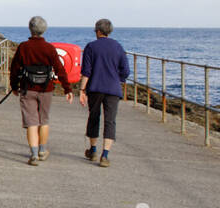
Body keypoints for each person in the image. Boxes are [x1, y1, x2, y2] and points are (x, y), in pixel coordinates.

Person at [9, 16, 73, 165]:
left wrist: (14, 86)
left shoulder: (23, 47)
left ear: (30, 29)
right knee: (43, 120)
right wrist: (67, 89)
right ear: (44, 30)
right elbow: (60, 69)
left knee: (31, 122)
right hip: (46, 89)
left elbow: (15, 68)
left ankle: (34, 154)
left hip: (27, 88)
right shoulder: (49, 48)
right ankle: (43, 150)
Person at [77, 18, 132, 167]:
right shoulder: (118, 47)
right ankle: (105, 155)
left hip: (95, 88)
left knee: (94, 117)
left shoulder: (91, 47)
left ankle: (93, 150)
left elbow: (86, 72)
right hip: (113, 89)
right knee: (110, 121)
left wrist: (82, 90)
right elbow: (126, 71)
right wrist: (116, 78)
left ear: (98, 31)